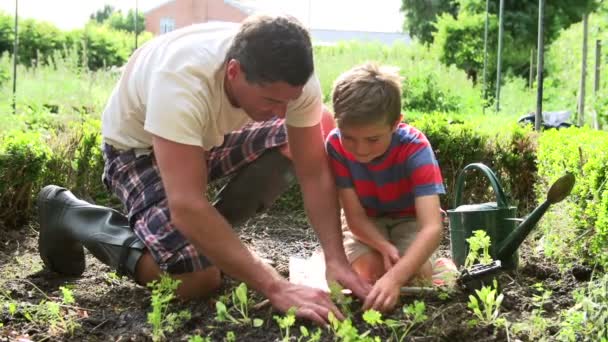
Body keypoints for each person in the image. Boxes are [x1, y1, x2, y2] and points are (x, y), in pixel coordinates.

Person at [37, 15, 370, 325]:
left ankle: (210, 242)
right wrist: (275, 286)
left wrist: (335, 258)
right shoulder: (181, 80)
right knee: (197, 279)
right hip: (139, 150)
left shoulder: (293, 81)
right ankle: (70, 214)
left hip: (207, 140)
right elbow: (187, 205)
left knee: (314, 129)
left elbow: (313, 172)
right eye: (271, 101)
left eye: (289, 101)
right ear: (234, 72)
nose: (282, 112)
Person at [325, 63, 449, 313]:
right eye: (349, 137)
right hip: (366, 223)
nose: (360, 150)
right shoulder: (336, 146)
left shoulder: (415, 148)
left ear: (395, 124)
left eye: (373, 139)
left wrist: (395, 278)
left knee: (414, 277)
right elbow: (354, 217)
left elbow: (432, 227)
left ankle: (442, 265)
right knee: (370, 273)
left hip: (409, 220)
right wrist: (383, 246)